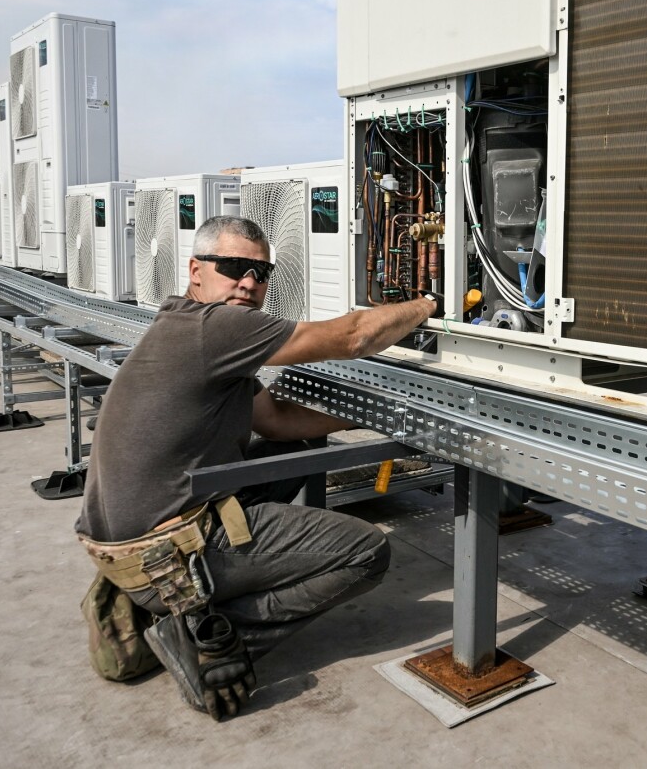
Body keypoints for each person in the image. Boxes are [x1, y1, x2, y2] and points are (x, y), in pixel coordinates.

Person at [75, 215, 435, 718]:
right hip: (163, 556)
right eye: (233, 267)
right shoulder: (216, 328)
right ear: (196, 270)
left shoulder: (187, 325)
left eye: (260, 273)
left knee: (294, 453)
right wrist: (427, 305)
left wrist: (384, 417)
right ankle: (211, 639)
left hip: (128, 547)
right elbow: (354, 335)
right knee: (366, 552)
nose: (248, 283)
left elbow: (278, 422)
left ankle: (193, 608)